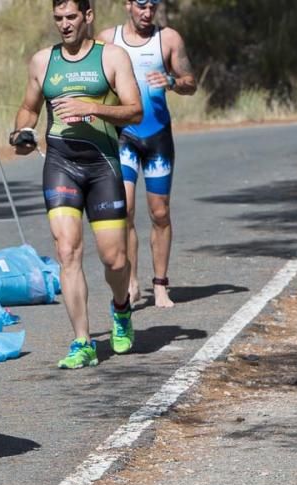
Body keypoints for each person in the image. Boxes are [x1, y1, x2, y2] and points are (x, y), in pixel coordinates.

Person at [12, 0, 143, 369]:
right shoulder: (43, 61)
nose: (65, 25)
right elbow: (29, 107)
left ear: (88, 16)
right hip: (61, 164)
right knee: (67, 251)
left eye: (71, 17)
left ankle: (121, 309)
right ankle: (82, 342)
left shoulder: (112, 57)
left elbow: (135, 110)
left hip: (103, 167)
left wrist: (93, 108)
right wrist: (22, 130)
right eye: (58, 19)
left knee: (114, 259)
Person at [97, 0, 196, 307]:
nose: (147, 13)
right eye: (141, 6)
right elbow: (95, 82)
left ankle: (161, 284)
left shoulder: (168, 39)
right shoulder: (108, 39)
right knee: (124, 210)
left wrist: (171, 82)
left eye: (152, 6)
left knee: (160, 213)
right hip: (124, 135)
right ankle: (131, 280)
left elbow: (190, 83)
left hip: (157, 138)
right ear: (127, 5)